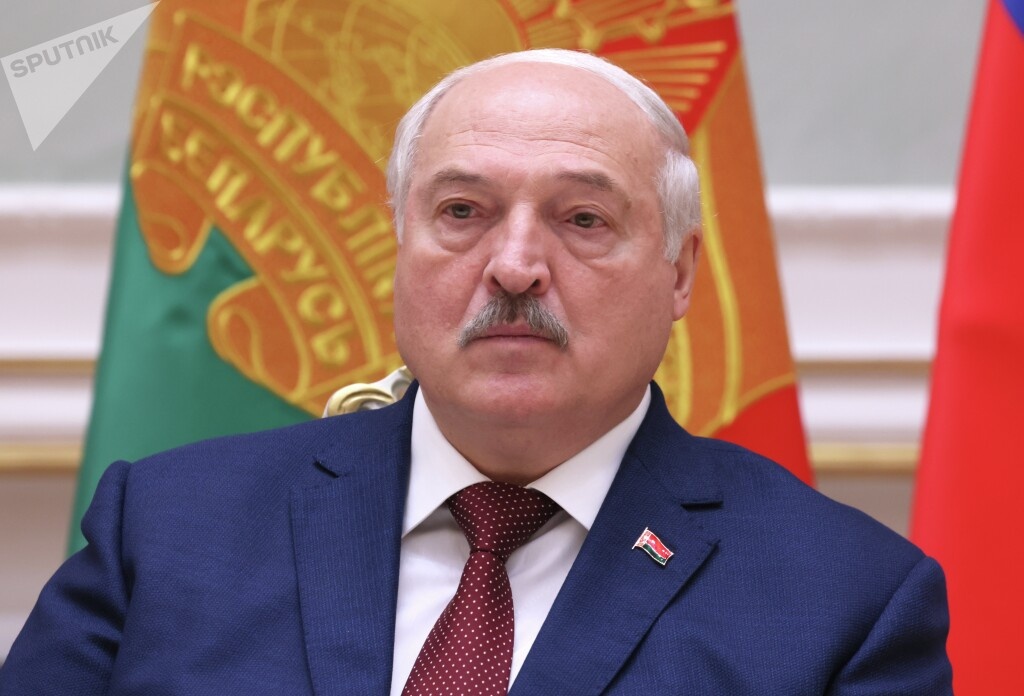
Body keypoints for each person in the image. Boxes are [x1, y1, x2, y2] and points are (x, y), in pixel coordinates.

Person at [0, 49, 951, 695]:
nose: (515, 266)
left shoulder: (845, 603)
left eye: (584, 219)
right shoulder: (167, 530)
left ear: (679, 272)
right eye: (463, 212)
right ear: (401, 243)